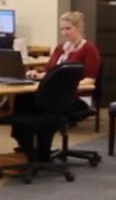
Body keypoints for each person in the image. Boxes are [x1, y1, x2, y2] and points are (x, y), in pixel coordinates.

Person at [10, 11, 100, 159]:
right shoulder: (60, 49)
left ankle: (43, 151)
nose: (64, 33)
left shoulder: (89, 49)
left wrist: (65, 86)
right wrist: (38, 75)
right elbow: (51, 72)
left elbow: (89, 80)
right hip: (53, 94)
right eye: (62, 29)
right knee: (23, 99)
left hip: (76, 97)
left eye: (68, 29)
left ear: (79, 28)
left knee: (45, 106)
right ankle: (25, 143)